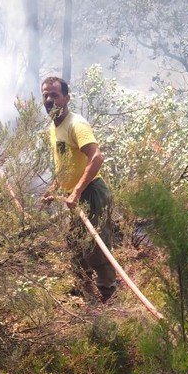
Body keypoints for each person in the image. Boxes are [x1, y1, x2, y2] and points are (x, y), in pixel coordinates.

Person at [40, 76, 117, 302]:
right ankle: (85, 290)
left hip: (92, 192)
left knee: (96, 244)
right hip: (77, 195)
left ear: (66, 98)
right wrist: (53, 189)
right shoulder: (54, 128)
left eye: (54, 94)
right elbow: (65, 164)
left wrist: (77, 191)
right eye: (45, 95)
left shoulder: (76, 124)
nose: (49, 99)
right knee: (75, 245)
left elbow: (97, 157)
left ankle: (108, 291)